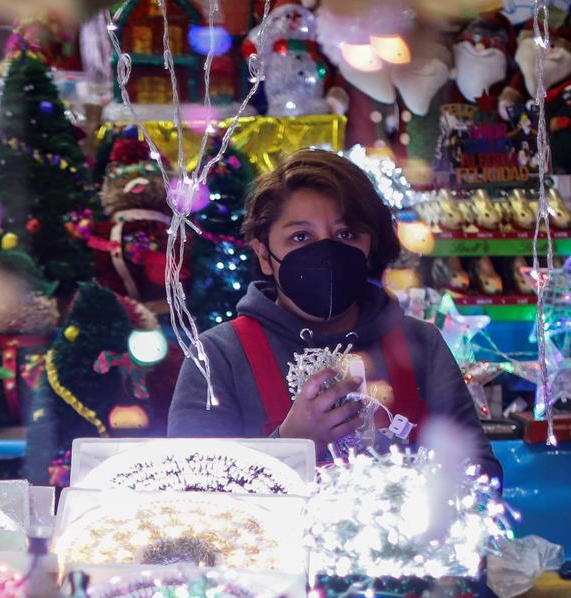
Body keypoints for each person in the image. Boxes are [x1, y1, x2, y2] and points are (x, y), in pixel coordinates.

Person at [167, 148, 501, 483]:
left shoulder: (421, 344)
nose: (326, 253)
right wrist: (291, 445)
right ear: (264, 254)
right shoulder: (217, 356)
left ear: (370, 246)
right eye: (300, 237)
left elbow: (482, 477)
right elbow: (194, 496)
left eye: (346, 234)